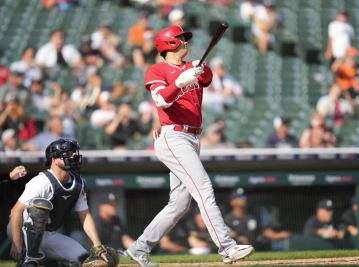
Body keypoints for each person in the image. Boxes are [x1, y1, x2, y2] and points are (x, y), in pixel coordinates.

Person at [125, 25, 254, 267]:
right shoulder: (157, 69)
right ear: (170, 43)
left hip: (193, 138)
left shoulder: (192, 65)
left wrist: (197, 69)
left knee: (179, 204)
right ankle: (227, 247)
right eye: (181, 38)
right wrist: (180, 81)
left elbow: (206, 77)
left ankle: (139, 247)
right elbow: (161, 100)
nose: (185, 41)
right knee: (204, 187)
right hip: (174, 136)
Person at [8, 139, 109, 266]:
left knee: (86, 260)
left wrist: (97, 244)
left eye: (72, 153)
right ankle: (28, 259)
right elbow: (16, 211)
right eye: (67, 154)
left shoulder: (79, 183)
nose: (72, 157)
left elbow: (85, 215)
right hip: (22, 230)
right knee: (39, 209)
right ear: (54, 159)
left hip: (49, 234)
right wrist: (16, 243)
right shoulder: (42, 182)